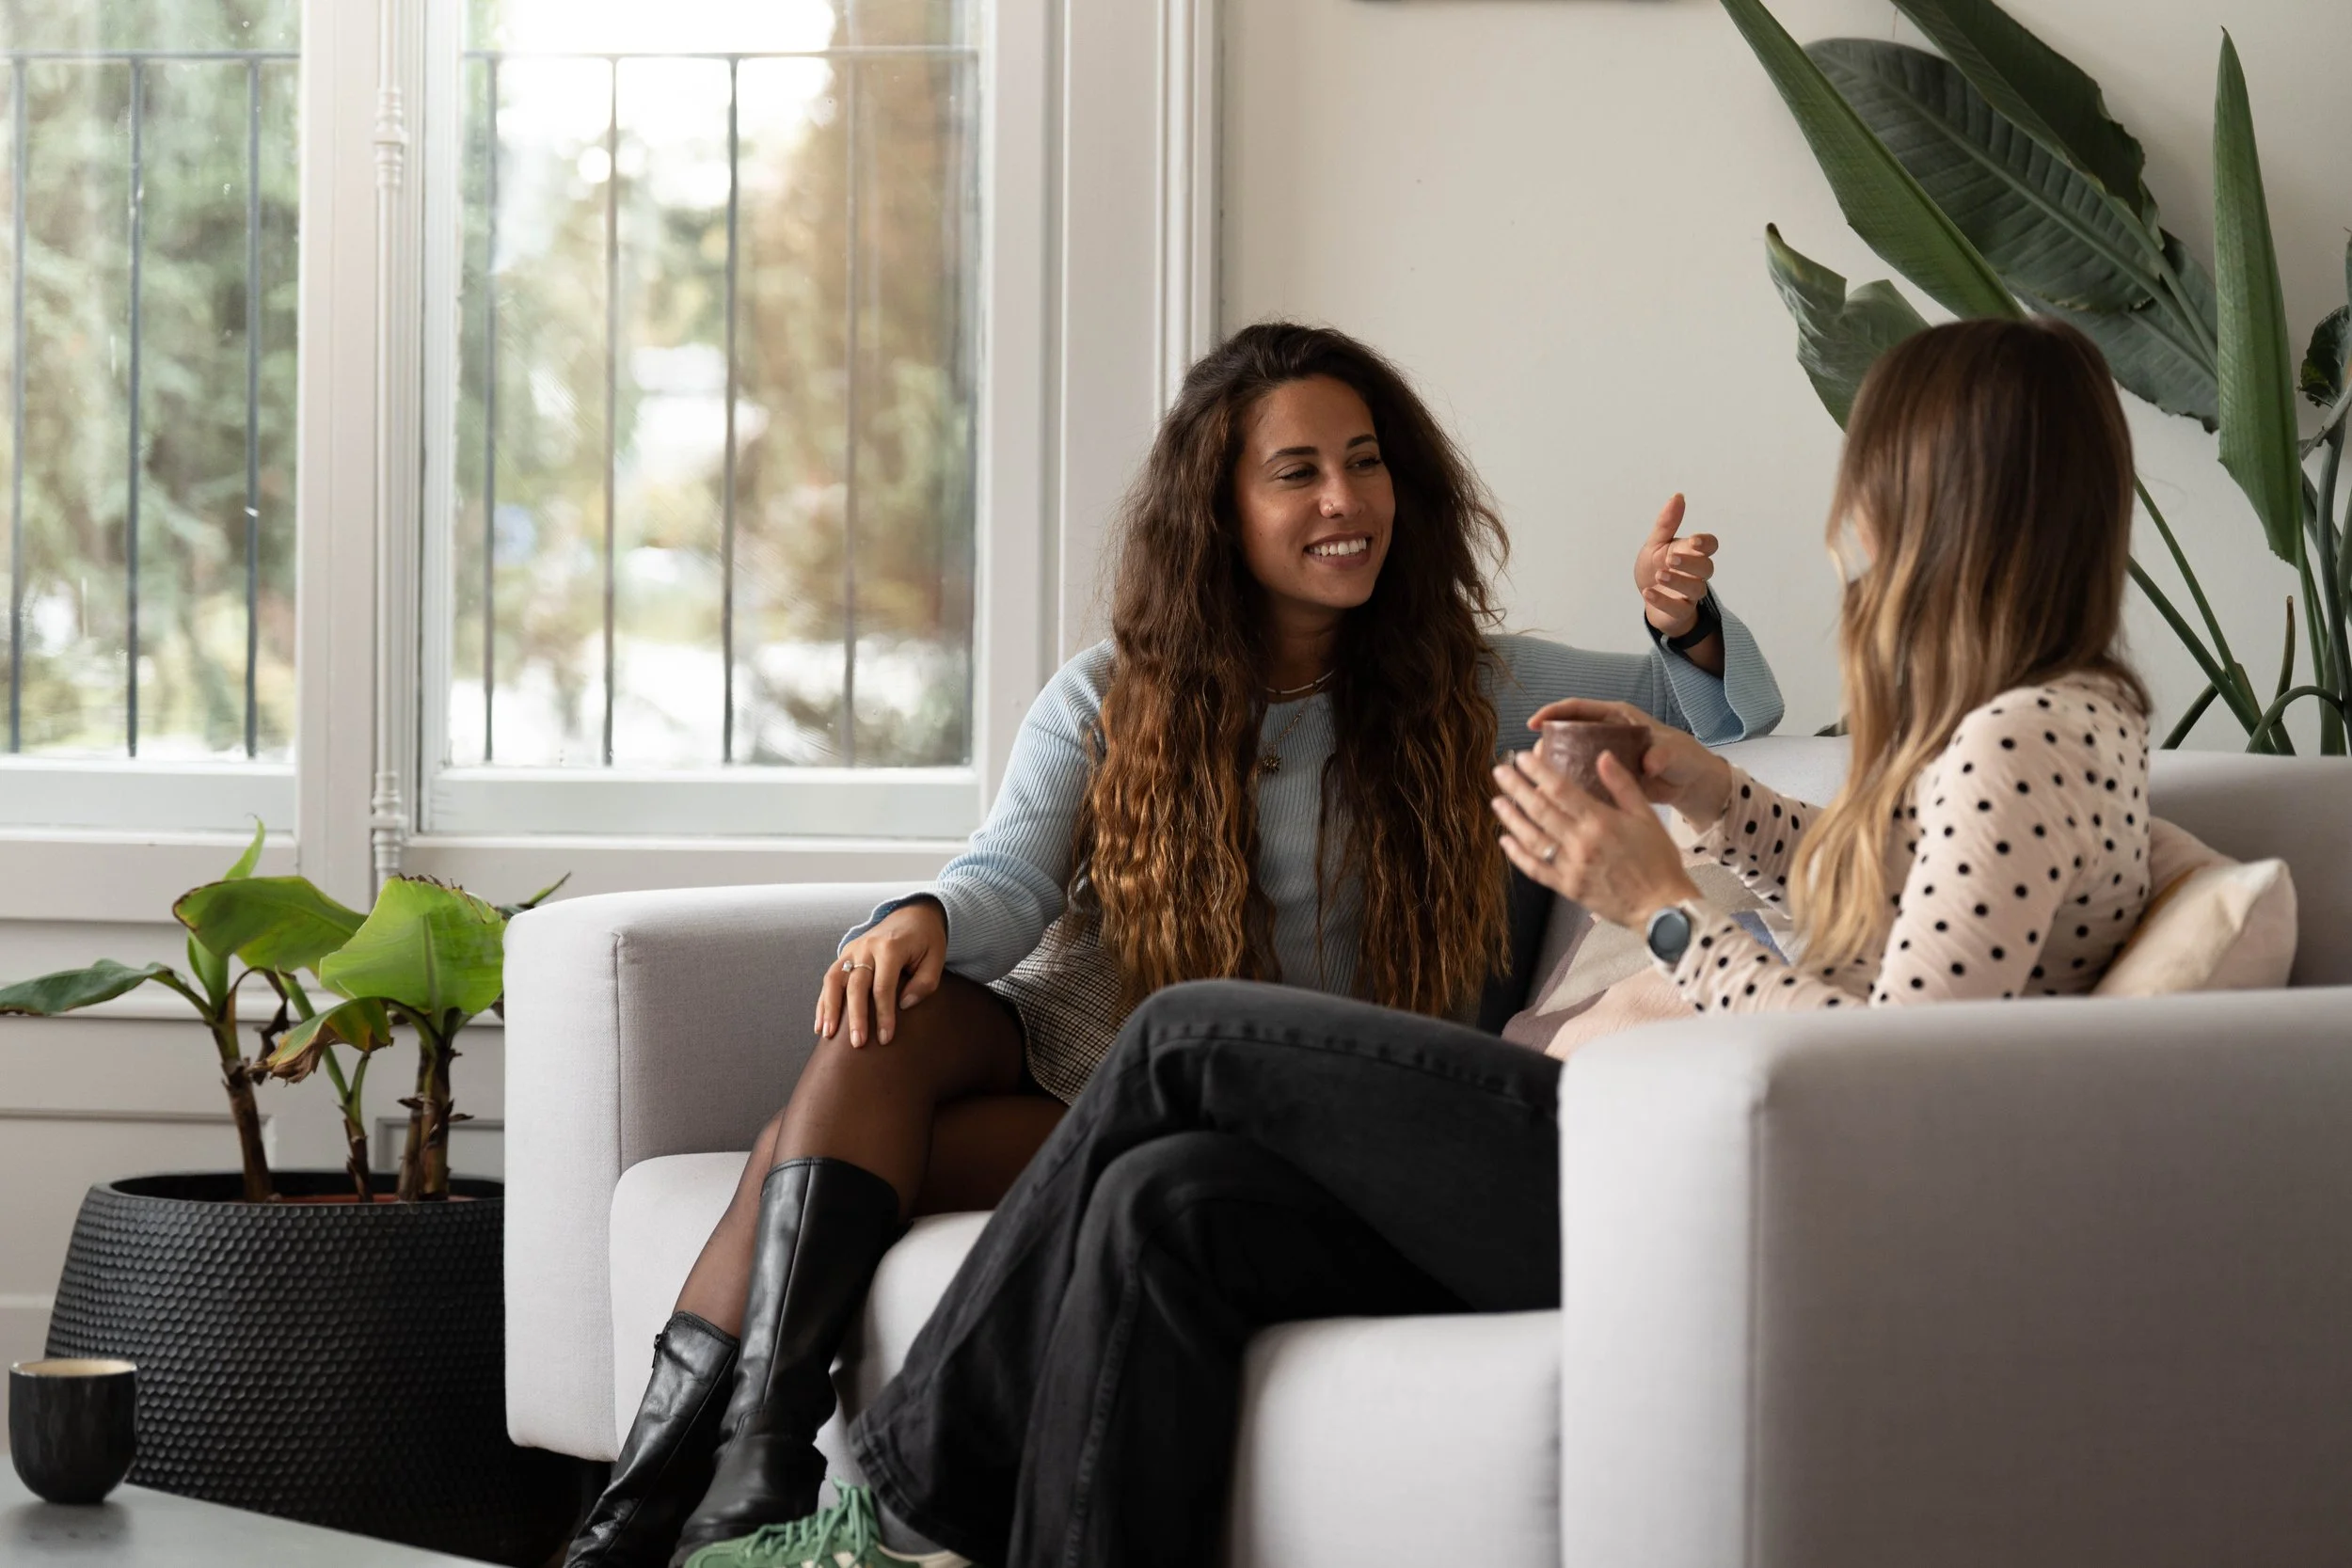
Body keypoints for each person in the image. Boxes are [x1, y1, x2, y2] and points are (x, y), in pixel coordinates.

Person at [696, 315, 2157, 1568]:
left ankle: (900, 1490)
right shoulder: (2023, 731)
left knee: (1185, 1036)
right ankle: (762, 1489)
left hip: (1669, 1164)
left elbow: (1895, 1075)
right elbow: (1878, 910)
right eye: (1299, 471)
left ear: (1948, 503)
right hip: (1638, 1136)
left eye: (1868, 487)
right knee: (1158, 1198)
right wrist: (1714, 796)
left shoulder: (2019, 740)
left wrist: (1662, 903)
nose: (1847, 529)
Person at [564, 321, 1783, 1568]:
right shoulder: (1112, 689)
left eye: (1365, 463)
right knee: (883, 1027)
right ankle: (732, 1490)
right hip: (1099, 1066)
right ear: (1220, 509)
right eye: (1298, 472)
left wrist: (1679, 621)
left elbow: (1727, 718)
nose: (1346, 500)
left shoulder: (1479, 686)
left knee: (794, 1151)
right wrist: (919, 917)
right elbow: (1005, 883)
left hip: (1297, 1111)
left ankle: (657, 1523)